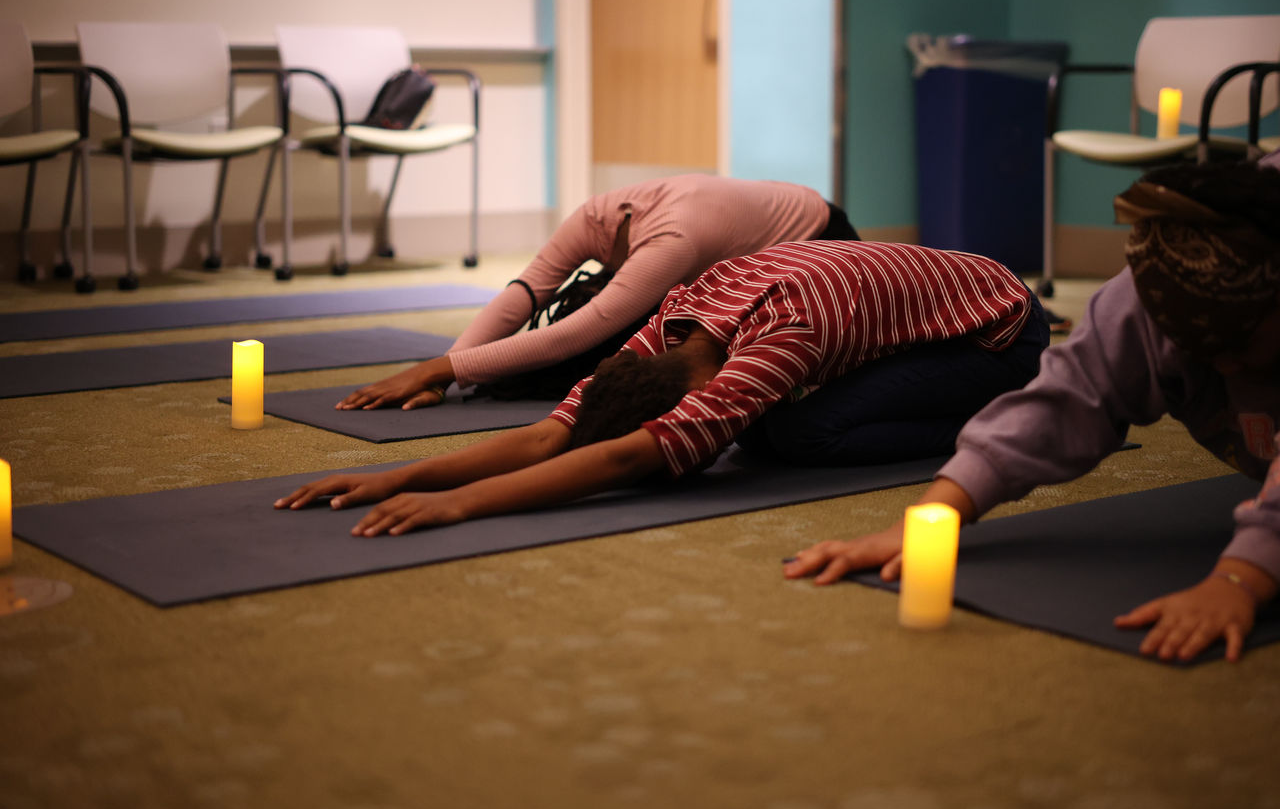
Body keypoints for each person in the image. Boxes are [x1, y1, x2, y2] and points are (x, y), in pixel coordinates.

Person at [785, 156, 1280, 664]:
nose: (1226, 365)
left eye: (1240, 344)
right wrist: (932, 517)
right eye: (1201, 350)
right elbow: (1065, 400)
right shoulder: (1146, 296)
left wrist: (1242, 577)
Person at [278, 240, 1048, 538]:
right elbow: (557, 432)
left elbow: (619, 462)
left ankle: (1004, 421)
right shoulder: (674, 321)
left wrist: (459, 505)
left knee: (796, 435)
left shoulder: (785, 338)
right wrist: (397, 475)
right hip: (918, 303)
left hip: (997, 329)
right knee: (765, 430)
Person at [336, 175, 861, 411]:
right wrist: (446, 368)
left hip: (821, 235)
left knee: (595, 356)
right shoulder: (597, 213)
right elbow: (526, 291)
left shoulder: (671, 242)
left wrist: (437, 371)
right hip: (743, 223)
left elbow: (575, 333)